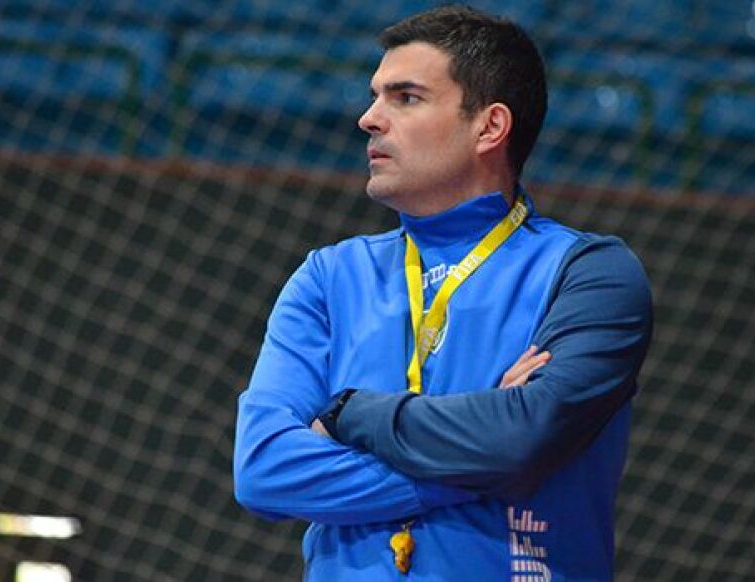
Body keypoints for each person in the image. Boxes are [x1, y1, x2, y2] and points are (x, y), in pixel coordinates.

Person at [234, 5, 653, 580]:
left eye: (406, 98)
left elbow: (524, 437)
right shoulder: (328, 277)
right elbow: (263, 471)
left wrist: (348, 412)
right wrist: (482, 461)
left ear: (490, 127)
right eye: (376, 97)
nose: (368, 119)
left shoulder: (589, 273)